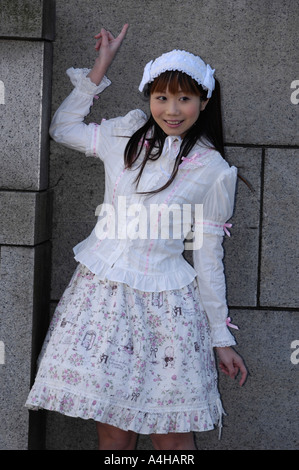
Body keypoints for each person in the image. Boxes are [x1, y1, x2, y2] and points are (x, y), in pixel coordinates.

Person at [26, 24, 247, 450]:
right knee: (114, 434)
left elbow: (207, 256)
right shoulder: (124, 136)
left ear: (203, 101)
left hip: (168, 310)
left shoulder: (213, 170)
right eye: (161, 97)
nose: (172, 109)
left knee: (172, 436)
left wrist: (221, 337)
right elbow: (63, 127)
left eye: (184, 98)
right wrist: (101, 66)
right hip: (100, 300)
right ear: (149, 97)